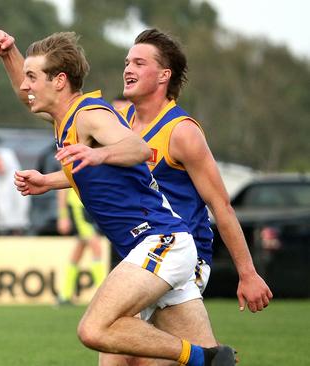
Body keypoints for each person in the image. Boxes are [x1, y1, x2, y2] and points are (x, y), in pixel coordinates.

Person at [0, 29, 237, 365]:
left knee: (94, 329)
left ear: (60, 81)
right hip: (155, 248)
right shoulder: (65, 121)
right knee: (116, 358)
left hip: (161, 242)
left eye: (32, 77)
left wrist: (98, 155)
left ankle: (202, 358)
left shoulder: (89, 114)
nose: (25, 86)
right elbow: (28, 96)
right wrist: (9, 55)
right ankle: (208, 358)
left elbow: (137, 148)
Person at [96, 28, 273, 365]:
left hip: (182, 258)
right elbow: (51, 108)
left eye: (139, 62)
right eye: (126, 61)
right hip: (145, 255)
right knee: (121, 351)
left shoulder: (182, 132)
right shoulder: (123, 124)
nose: (127, 69)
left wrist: (247, 274)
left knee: (112, 341)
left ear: (165, 75)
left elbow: (221, 206)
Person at [55, 187, 107, 305]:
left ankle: (65, 295)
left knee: (79, 249)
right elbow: (61, 188)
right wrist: (63, 216)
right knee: (96, 247)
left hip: (88, 205)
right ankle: (104, 295)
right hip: (78, 206)